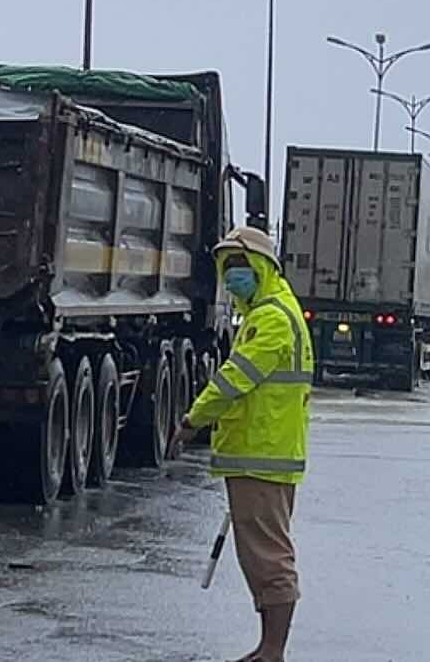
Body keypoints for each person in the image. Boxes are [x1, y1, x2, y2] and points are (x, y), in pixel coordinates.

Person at [176, 225, 314, 662]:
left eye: (242, 266)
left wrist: (193, 419)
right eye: (228, 267)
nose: (234, 275)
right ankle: (267, 646)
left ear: (263, 268)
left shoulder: (273, 317)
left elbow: (236, 377)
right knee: (259, 554)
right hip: (262, 452)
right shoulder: (267, 312)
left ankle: (272, 650)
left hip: (264, 455)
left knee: (268, 555)